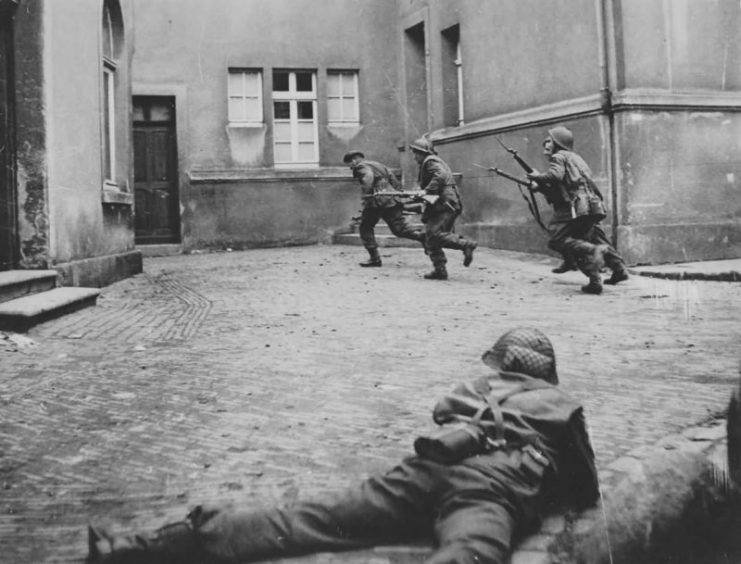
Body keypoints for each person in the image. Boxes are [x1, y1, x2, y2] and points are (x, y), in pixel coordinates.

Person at [87, 327, 599, 564]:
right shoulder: (560, 404)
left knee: (303, 519)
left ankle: (130, 550)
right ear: (547, 372)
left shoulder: (475, 389)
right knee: (473, 551)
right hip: (488, 494)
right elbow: (586, 486)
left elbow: (441, 414)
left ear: (500, 362)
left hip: (421, 472)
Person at [526, 126, 628, 294]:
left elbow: (555, 178)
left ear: (558, 143)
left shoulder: (558, 157)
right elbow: (567, 182)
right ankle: (616, 270)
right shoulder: (576, 157)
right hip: (591, 204)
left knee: (563, 241)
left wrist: (537, 178)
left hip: (575, 206)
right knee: (595, 238)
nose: (545, 143)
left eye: (550, 140)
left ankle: (593, 265)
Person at [409, 137, 477, 280]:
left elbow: (440, 176)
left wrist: (426, 191)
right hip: (441, 204)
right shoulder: (429, 162)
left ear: (423, 152)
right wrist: (419, 197)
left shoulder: (430, 161)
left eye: (416, 153)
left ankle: (466, 245)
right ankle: (440, 270)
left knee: (433, 235)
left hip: (445, 204)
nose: (414, 157)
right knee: (431, 237)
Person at [343, 150, 425, 267]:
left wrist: (366, 196)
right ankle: (425, 238)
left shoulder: (361, 166)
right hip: (391, 199)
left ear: (354, 160)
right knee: (399, 229)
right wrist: (397, 194)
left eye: (349, 164)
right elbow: (393, 179)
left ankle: (375, 259)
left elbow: (368, 177)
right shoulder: (378, 165)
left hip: (377, 200)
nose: (350, 167)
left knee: (365, 227)